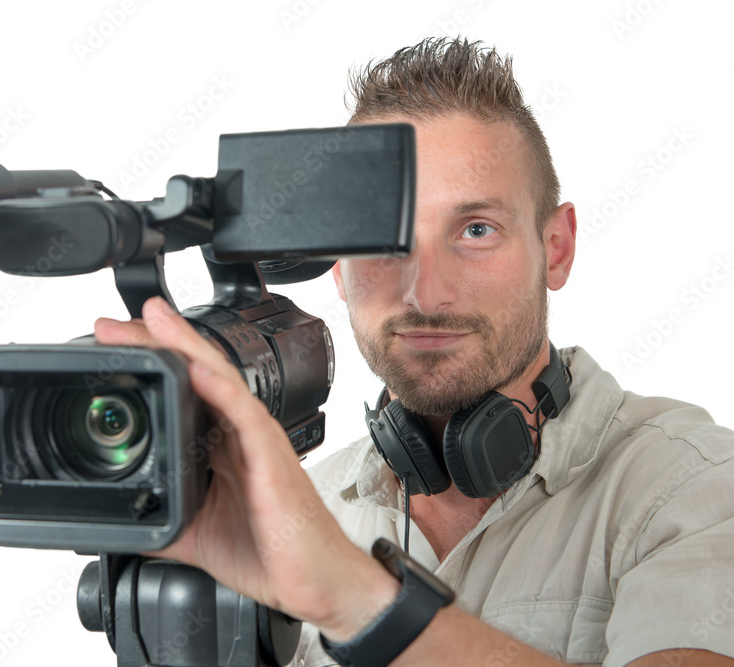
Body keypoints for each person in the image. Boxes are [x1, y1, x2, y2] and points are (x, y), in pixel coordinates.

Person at [93, 37, 734, 667]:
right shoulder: (293, 509)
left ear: (556, 247)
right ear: (337, 267)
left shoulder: (694, 485)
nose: (425, 292)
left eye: (476, 230)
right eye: (384, 242)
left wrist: (353, 596)